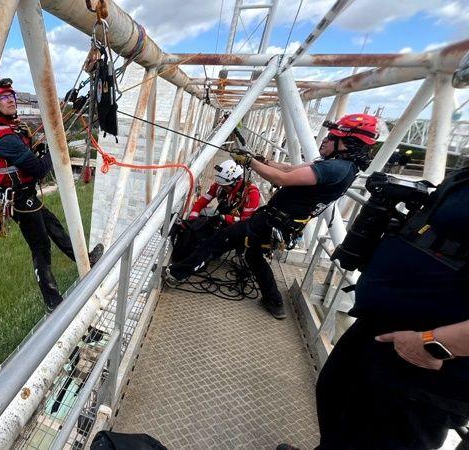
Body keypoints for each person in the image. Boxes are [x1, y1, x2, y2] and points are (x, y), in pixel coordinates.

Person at [279, 167, 469, 450]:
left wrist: (432, 344)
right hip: (379, 325)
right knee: (335, 397)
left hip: (429, 357)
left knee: (383, 437)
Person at [167, 113, 377, 319]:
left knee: (221, 239)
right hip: (282, 222)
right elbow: (289, 168)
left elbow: (282, 178)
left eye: (331, 137)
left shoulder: (334, 168)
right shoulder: (341, 166)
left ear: (347, 143)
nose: (325, 140)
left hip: (273, 221)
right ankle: (274, 302)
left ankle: (176, 273)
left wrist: (251, 162)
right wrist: (264, 161)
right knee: (253, 256)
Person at [0, 77, 103, 311]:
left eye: (11, 96)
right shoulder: (4, 138)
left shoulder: (12, 129)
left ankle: (85, 259)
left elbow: (28, 158)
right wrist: (55, 150)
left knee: (53, 226)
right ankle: (52, 301)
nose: (11, 101)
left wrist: (41, 149)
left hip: (24, 195)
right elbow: (38, 170)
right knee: (40, 247)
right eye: (4, 98)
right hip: (19, 199)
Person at [171, 160, 260, 263]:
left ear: (236, 181)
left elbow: (246, 221)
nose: (222, 188)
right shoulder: (219, 186)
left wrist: (223, 218)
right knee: (202, 215)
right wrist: (192, 220)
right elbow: (200, 203)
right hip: (225, 217)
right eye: (221, 185)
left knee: (216, 245)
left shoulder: (251, 194)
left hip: (241, 227)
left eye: (225, 186)